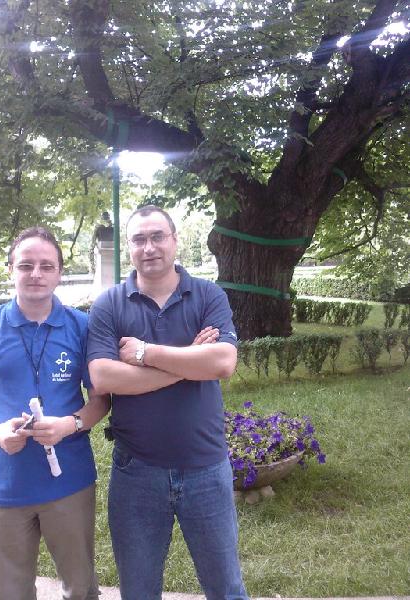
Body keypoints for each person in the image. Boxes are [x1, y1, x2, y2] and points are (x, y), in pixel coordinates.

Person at [87, 206, 249, 600]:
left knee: (226, 589)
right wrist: (189, 361)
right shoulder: (109, 304)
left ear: (175, 240)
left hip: (206, 467)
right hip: (136, 473)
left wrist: (145, 353)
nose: (149, 247)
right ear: (129, 248)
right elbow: (104, 378)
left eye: (157, 236)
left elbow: (222, 363)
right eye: (139, 239)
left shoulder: (208, 295)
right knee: (138, 591)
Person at [0, 227, 110, 600]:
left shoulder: (82, 327)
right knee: (11, 591)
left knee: (80, 588)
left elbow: (102, 399)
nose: (36, 274)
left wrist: (69, 425)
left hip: (69, 481)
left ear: (59, 272)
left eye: (47, 266)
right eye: (26, 265)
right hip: (6, 482)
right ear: (10, 269)